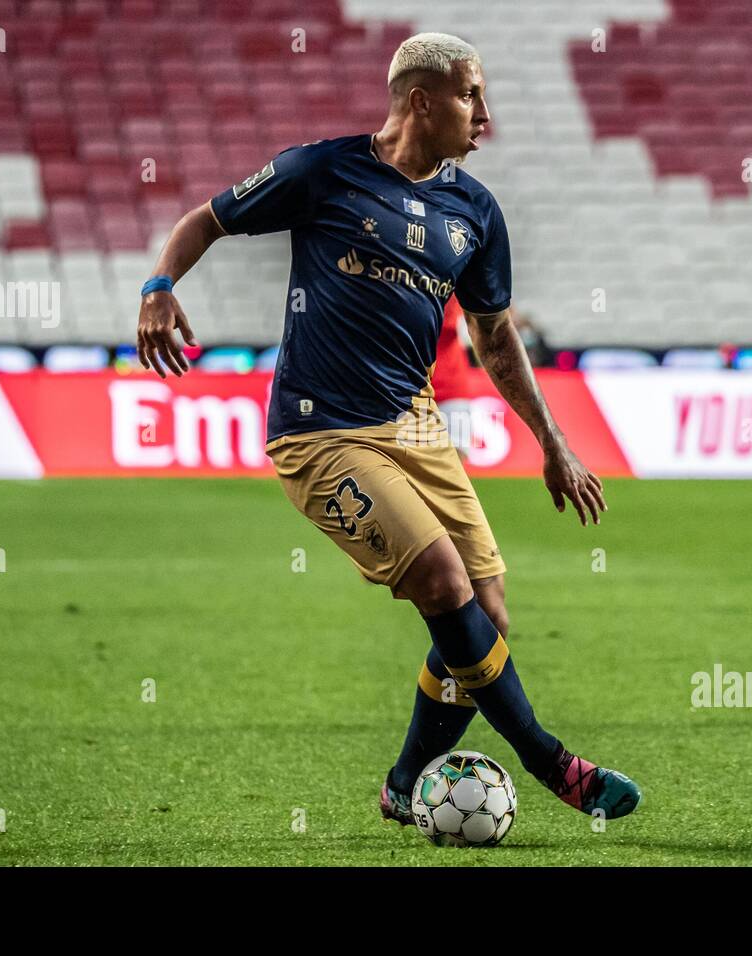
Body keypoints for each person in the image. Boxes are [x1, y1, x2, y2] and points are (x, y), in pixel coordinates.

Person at [135, 32, 641, 826]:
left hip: (416, 430)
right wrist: (159, 284)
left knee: (489, 614)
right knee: (445, 584)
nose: (486, 115)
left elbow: (495, 336)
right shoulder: (321, 170)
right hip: (320, 433)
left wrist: (553, 442)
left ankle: (406, 781)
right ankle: (552, 763)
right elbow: (207, 219)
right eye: (472, 95)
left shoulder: (474, 210)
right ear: (421, 99)